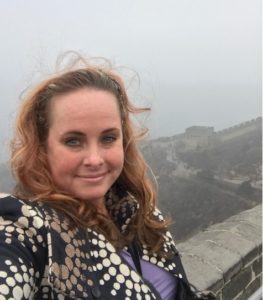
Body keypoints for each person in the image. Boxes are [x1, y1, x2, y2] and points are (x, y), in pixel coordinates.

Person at [0, 54, 215, 300]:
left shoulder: (137, 212)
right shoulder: (30, 230)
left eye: (108, 138)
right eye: (73, 141)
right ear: (43, 147)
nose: (94, 159)